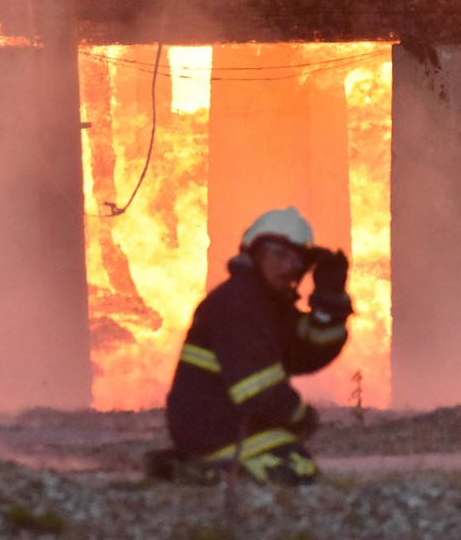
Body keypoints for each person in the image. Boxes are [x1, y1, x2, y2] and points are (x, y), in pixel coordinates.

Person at [148, 207, 353, 487]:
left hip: (231, 423)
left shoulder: (268, 305)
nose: (289, 267)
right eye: (280, 255)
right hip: (214, 428)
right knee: (292, 471)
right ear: (255, 253)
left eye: (297, 260)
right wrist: (301, 416)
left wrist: (329, 300)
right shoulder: (239, 303)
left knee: (295, 465)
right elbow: (257, 389)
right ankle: (199, 472)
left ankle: (194, 467)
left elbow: (308, 352)